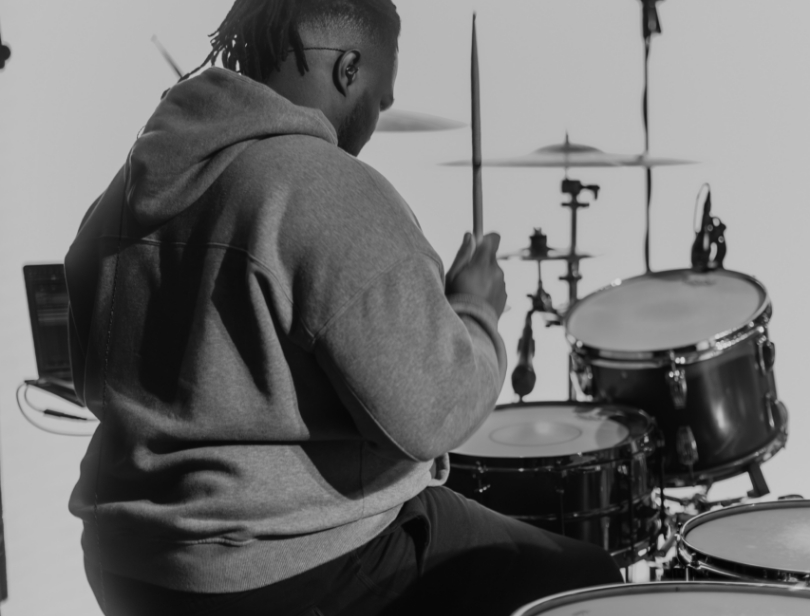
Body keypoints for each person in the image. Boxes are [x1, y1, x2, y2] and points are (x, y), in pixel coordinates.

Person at [64, 1, 622, 615]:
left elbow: (90, 370)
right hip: (283, 567)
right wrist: (476, 308)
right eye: (382, 95)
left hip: (128, 565)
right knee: (588, 579)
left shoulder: (127, 188)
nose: (383, 110)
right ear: (349, 68)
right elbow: (432, 416)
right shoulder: (321, 184)